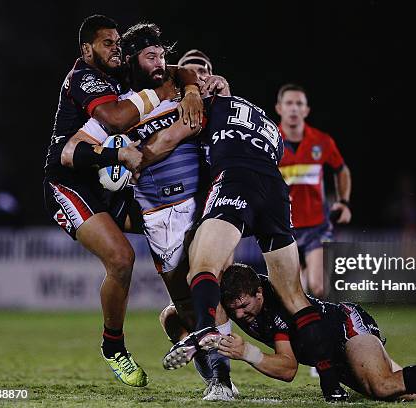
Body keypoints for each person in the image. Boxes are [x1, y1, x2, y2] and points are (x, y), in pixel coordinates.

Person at [150, 93, 350, 401]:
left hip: (235, 179)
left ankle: (205, 332)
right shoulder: (270, 128)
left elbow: (172, 138)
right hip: (275, 190)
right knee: (296, 297)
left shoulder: (206, 103)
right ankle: (331, 385)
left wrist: (135, 158)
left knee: (203, 269)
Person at [43, 14, 202, 387]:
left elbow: (177, 69)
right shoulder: (83, 78)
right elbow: (109, 124)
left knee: (165, 230)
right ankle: (113, 346)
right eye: (106, 44)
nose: (115, 49)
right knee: (121, 258)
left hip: (107, 185)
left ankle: (185, 317)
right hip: (70, 182)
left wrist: (192, 88)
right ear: (87, 50)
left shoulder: (124, 75)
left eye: (118, 43)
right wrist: (159, 98)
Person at [79, 23, 235, 400]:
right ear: (133, 60)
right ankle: (206, 366)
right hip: (160, 216)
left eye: (163, 55)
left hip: (202, 204)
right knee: (184, 307)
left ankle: (224, 382)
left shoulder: (181, 88)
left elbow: (210, 109)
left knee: (211, 297)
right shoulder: (121, 108)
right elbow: (79, 146)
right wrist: (114, 159)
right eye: (151, 56)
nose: (160, 62)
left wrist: (207, 86)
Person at [216, 263, 416, 401]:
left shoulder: (276, 304)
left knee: (382, 386)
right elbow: (179, 312)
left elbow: (287, 369)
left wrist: (247, 353)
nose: (240, 315)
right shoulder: (235, 303)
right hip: (329, 354)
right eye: (234, 310)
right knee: (413, 395)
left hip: (346, 327)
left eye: (244, 306)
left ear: (259, 292)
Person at [276, 84, 352, 298]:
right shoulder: (270, 141)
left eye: (299, 104)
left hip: (316, 226)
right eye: (289, 103)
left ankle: (324, 328)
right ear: (279, 108)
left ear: (306, 110)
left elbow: (341, 169)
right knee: (294, 292)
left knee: (317, 287)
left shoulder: (322, 141)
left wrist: (343, 202)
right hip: (283, 226)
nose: (294, 108)